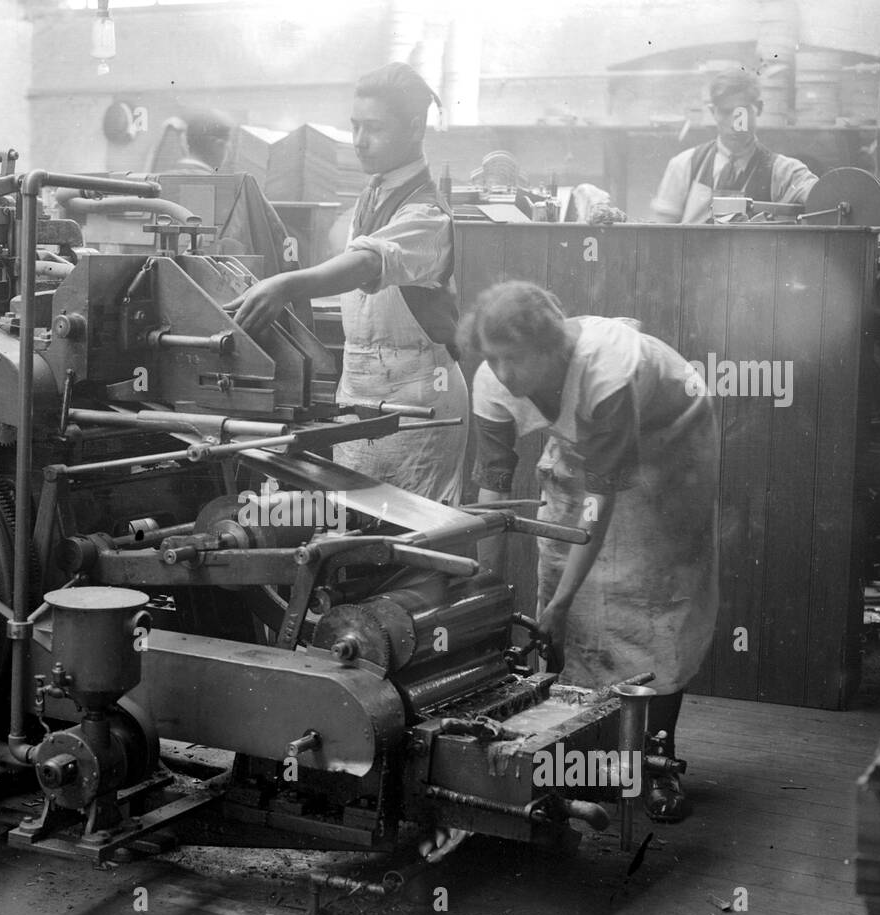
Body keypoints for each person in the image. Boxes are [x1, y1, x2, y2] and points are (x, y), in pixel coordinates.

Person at [463, 281, 720, 822]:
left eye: (515, 358)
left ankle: (655, 760)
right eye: (493, 358)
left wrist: (558, 604)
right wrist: (480, 584)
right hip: (586, 441)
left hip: (669, 440)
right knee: (560, 579)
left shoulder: (607, 369)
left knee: (653, 595)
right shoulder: (493, 380)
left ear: (553, 347)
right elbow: (493, 487)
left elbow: (598, 505)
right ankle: (583, 755)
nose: (503, 373)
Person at [226, 62, 468, 505]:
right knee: (355, 532)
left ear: (415, 127)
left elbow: (363, 264)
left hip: (418, 394)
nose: (359, 141)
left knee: (409, 538)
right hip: (361, 389)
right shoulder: (372, 195)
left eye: (373, 128)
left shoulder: (427, 214)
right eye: (355, 127)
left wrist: (284, 286)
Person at [650, 70, 818, 223]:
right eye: (725, 112)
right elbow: (662, 235)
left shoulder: (785, 172)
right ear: (712, 112)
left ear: (758, 108)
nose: (735, 124)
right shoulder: (684, 165)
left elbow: (826, 196)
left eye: (741, 112)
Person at [174, 109, 234, 174]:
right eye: (228, 146)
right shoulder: (219, 183)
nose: (229, 152)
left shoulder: (162, 179)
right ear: (218, 145)